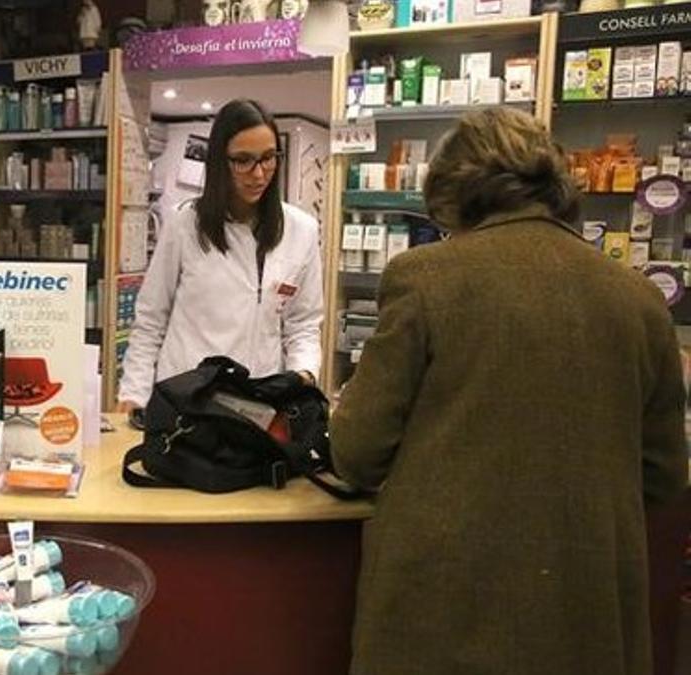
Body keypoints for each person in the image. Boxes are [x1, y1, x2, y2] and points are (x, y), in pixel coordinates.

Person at [330, 107, 688, 675]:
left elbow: (357, 453)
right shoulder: (639, 298)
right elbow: (665, 474)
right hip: (587, 609)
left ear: (457, 192)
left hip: (446, 608)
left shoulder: (425, 277)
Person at [116, 98, 323, 412]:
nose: (259, 173)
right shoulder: (184, 224)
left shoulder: (301, 231)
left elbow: (303, 324)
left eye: (268, 158)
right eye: (243, 160)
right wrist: (134, 395)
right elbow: (150, 320)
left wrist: (303, 374)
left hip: (258, 403)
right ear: (218, 161)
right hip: (187, 400)